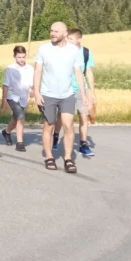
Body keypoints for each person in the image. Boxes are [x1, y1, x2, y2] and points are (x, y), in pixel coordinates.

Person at [33, 22, 92, 173]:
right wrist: (37, 93)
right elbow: (37, 71)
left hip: (67, 94)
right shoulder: (44, 49)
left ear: (65, 34)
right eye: (51, 30)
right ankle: (49, 157)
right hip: (48, 94)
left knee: (68, 125)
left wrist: (84, 94)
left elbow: (78, 72)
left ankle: (68, 159)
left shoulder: (73, 51)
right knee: (49, 126)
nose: (52, 33)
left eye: (56, 31)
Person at [67, 29, 97, 157]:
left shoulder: (86, 53)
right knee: (65, 119)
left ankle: (83, 144)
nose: (68, 41)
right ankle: (56, 138)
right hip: (66, 89)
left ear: (79, 39)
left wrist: (92, 92)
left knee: (83, 116)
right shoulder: (64, 51)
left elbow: (88, 72)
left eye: (70, 39)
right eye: (67, 38)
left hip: (81, 89)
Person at [1, 45, 34, 152]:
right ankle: (20, 143)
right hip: (12, 96)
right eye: (19, 57)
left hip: (23, 97)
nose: (21, 59)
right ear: (14, 56)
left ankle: (6, 132)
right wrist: (4, 101)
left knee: (16, 119)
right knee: (21, 116)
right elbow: (5, 85)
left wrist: (33, 91)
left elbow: (32, 84)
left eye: (23, 57)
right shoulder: (10, 69)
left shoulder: (30, 69)